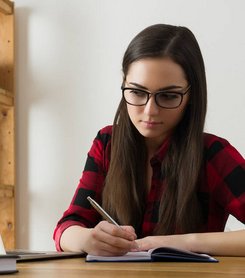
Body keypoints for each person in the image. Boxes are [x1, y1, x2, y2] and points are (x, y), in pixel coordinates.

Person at [54, 24, 245, 257]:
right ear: (124, 83)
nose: (150, 111)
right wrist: (86, 239)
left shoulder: (213, 153)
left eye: (168, 96)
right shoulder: (107, 144)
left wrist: (186, 242)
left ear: (192, 95)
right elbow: (68, 227)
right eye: (137, 92)